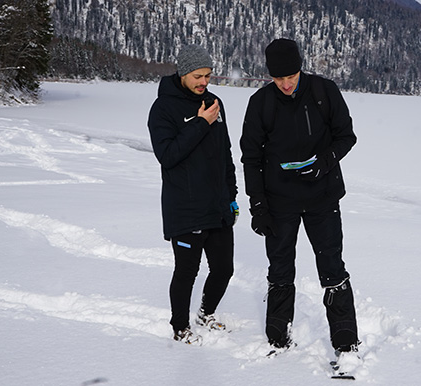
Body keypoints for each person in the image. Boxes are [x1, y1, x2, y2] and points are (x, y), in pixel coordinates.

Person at [240, 38, 359, 355]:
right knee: (279, 269)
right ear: (269, 75)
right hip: (279, 202)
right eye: (278, 78)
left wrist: (324, 162)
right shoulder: (260, 103)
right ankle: (278, 339)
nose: (286, 84)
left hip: (322, 196)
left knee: (332, 266)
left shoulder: (323, 92)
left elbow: (346, 136)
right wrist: (258, 205)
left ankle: (346, 340)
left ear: (300, 68)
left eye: (291, 76)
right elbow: (251, 157)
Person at [148, 44, 238, 345]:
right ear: (184, 73)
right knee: (187, 271)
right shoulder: (163, 108)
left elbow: (225, 153)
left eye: (208, 76)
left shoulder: (215, 103)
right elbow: (168, 155)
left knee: (224, 269)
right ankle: (180, 325)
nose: (204, 82)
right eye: (198, 76)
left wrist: (232, 194)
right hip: (185, 206)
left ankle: (205, 313)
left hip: (217, 204)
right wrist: (200, 124)